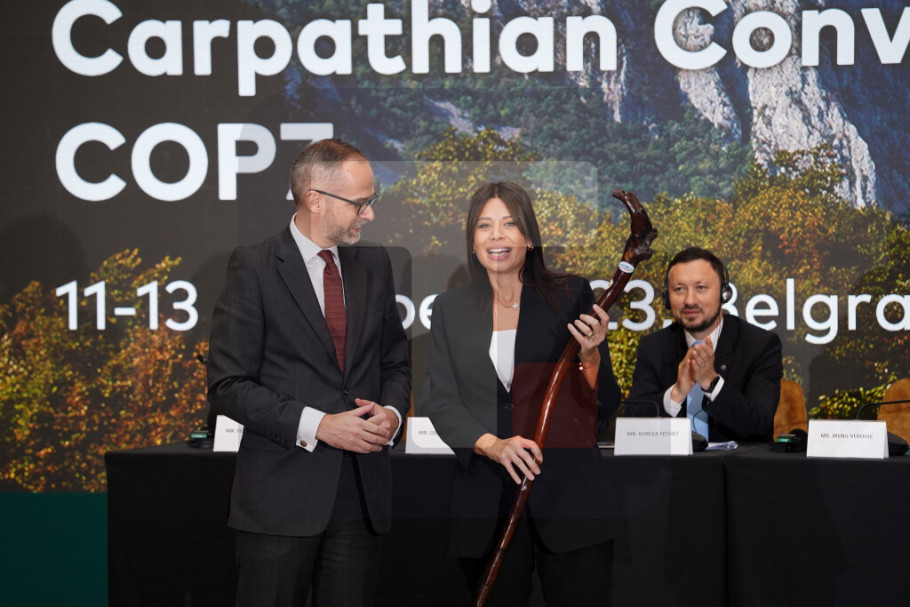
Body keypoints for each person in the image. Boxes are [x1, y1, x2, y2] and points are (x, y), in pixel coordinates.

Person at [206, 138, 410, 606]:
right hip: (279, 500)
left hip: (361, 497)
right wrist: (319, 425)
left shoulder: (375, 264)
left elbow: (394, 362)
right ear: (316, 199)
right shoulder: (254, 267)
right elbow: (228, 386)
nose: (369, 214)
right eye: (360, 203)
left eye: (371, 201)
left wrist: (393, 415)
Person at [418, 181, 622, 605]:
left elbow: (602, 405)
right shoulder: (450, 309)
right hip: (487, 501)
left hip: (569, 495)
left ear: (529, 238)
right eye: (484, 226)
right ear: (472, 241)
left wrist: (591, 356)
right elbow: (440, 399)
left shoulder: (570, 295)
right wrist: (492, 445)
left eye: (509, 224)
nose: (496, 235)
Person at [627, 247, 782, 442]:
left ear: (724, 294)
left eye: (701, 288)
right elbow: (632, 426)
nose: (690, 300)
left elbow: (759, 425)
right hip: (670, 461)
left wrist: (711, 382)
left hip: (735, 461)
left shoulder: (760, 345)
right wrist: (676, 393)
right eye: (679, 289)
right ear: (667, 298)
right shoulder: (653, 347)